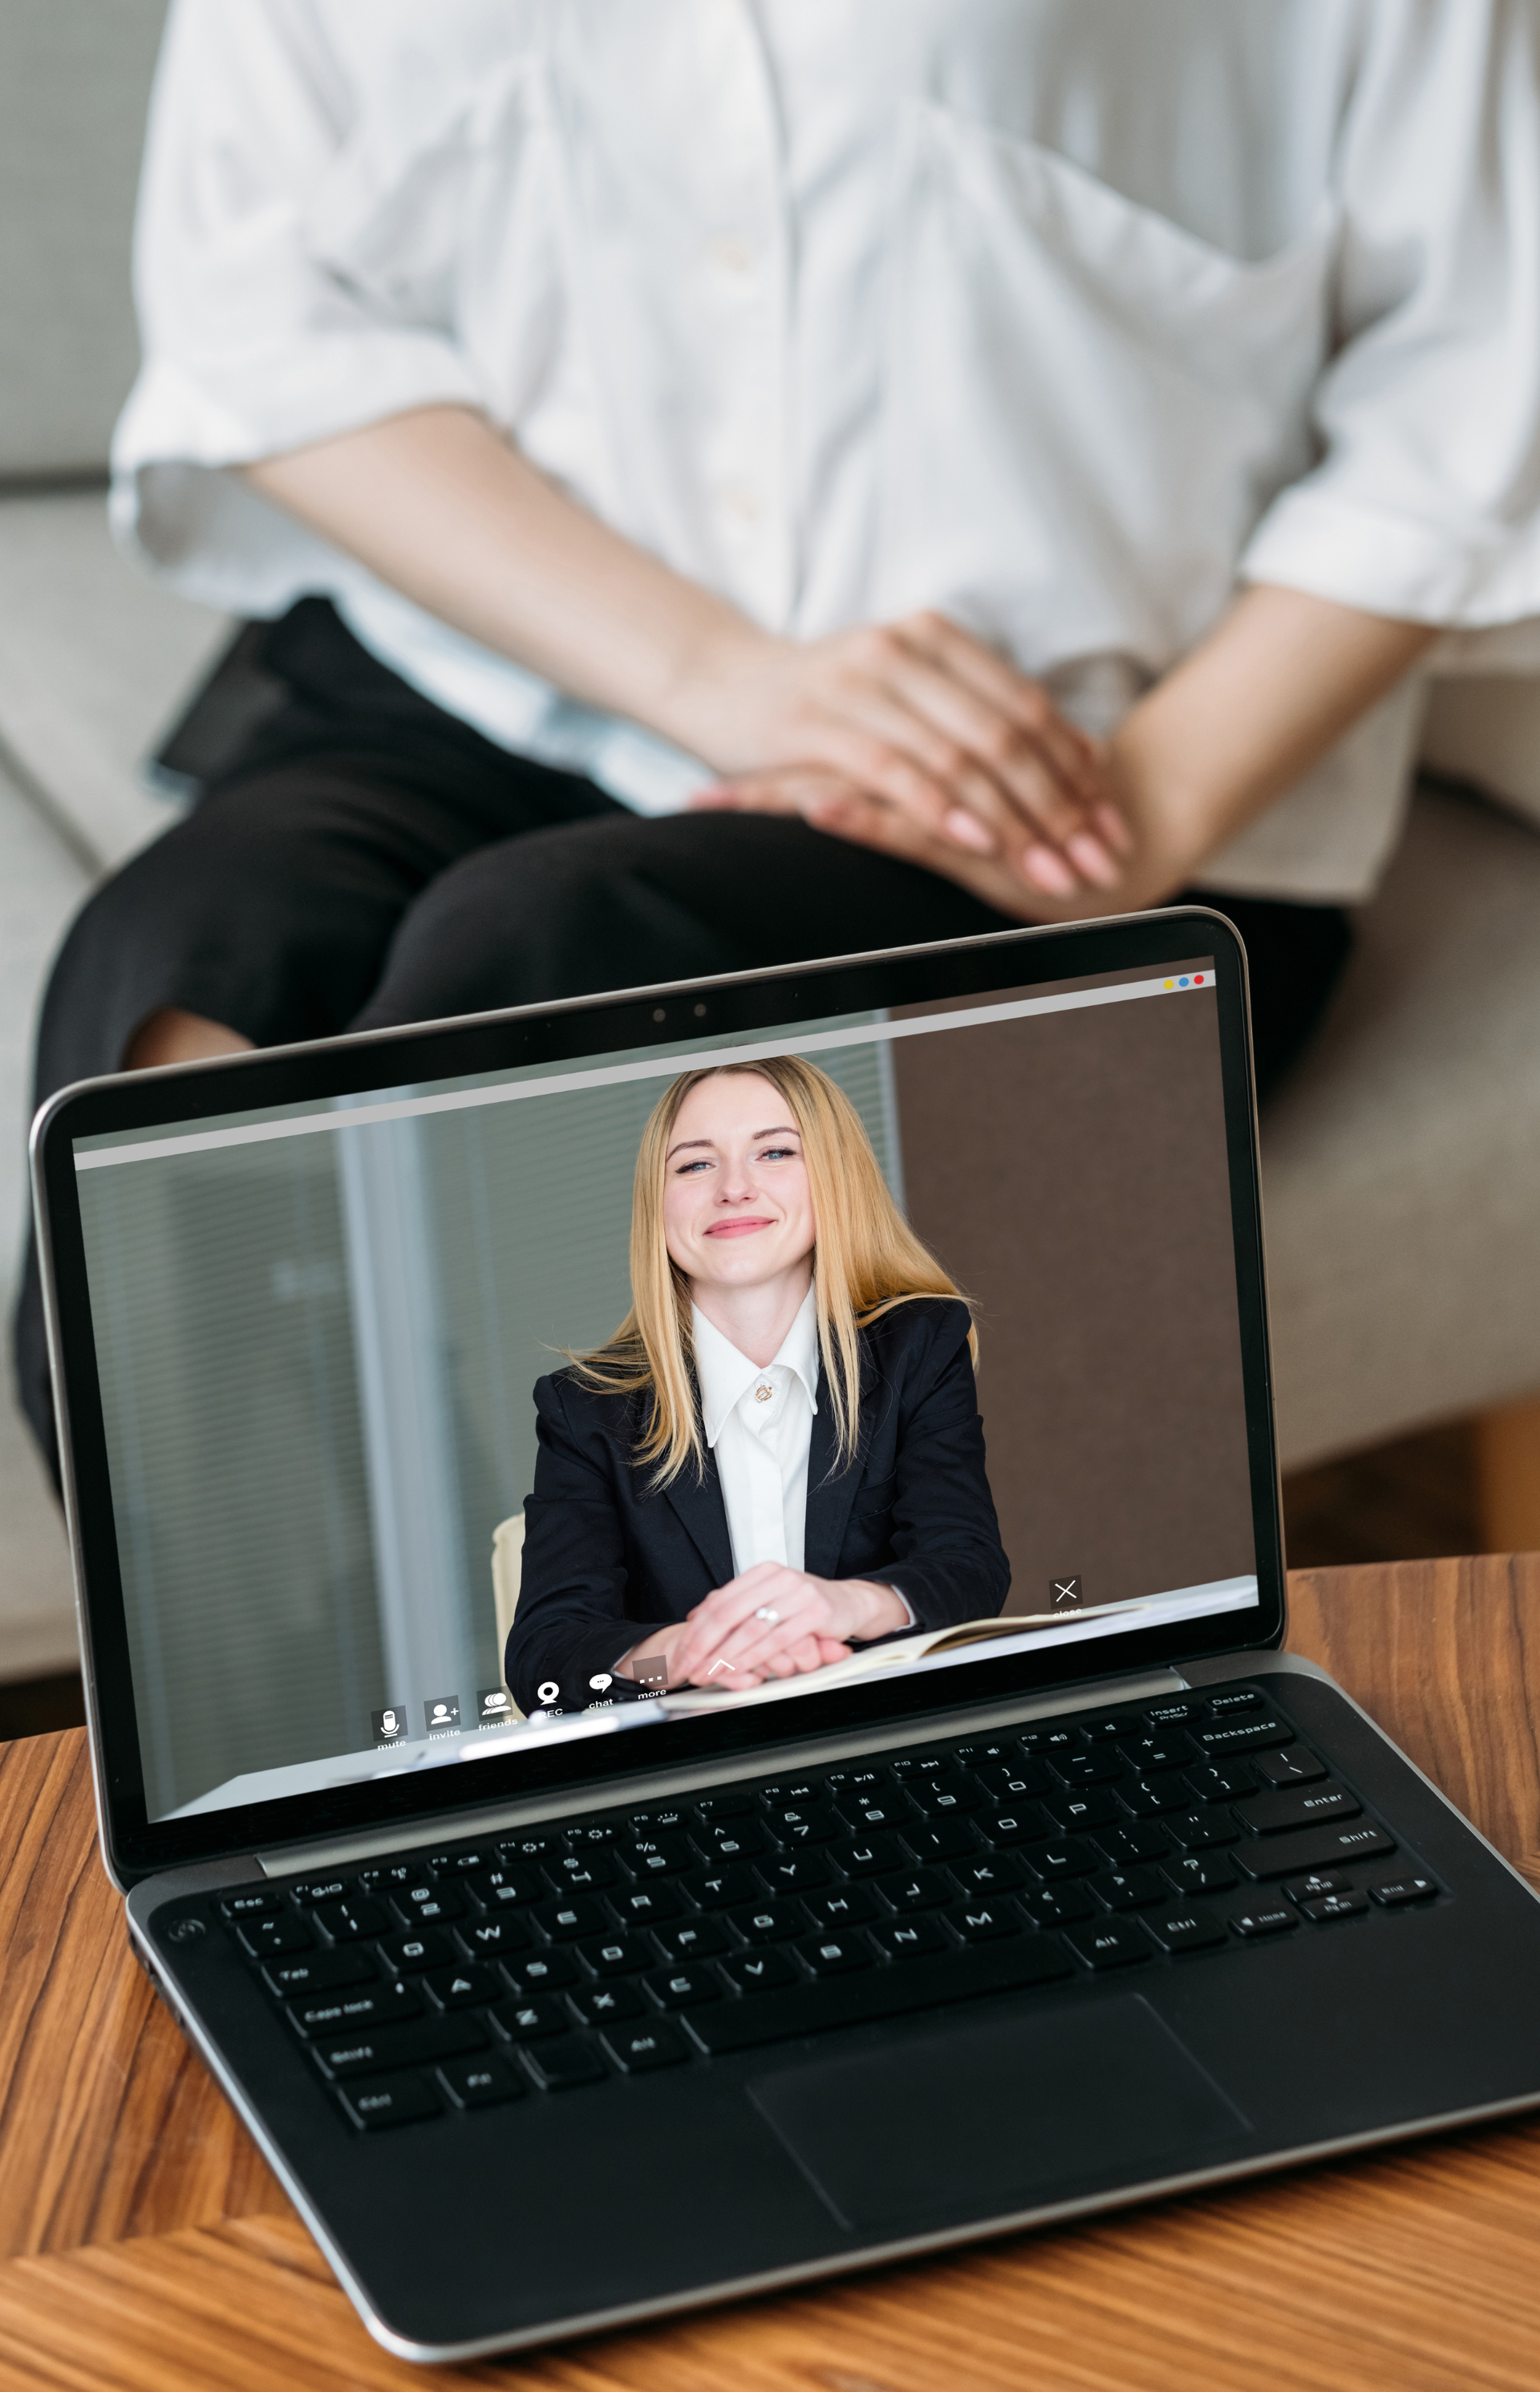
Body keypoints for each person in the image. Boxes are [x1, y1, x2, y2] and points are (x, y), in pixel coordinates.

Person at [17, 3, 1540, 1481]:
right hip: (509, 660)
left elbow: (1479, 359)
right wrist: (718, 675)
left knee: (548, 957)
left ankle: (520, 1657)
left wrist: (1148, 805)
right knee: (179, 985)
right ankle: (284, 1679)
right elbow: (268, 307)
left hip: (1039, 769)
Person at [505, 1057, 1009, 1716]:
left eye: (773, 1152)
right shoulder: (586, 1409)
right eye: (694, 1164)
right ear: (656, 1204)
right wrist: (687, 1654)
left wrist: (841, 1607)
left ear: (834, 1177)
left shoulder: (920, 1344)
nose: (734, 1188)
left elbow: (966, 1567)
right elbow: (547, 1654)